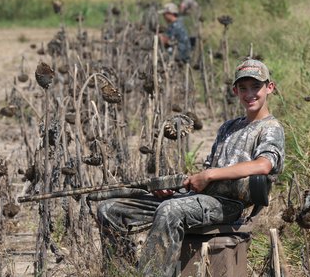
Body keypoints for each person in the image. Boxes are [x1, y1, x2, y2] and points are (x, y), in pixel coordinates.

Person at [96, 59, 285, 276]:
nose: (249, 94)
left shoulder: (271, 128)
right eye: (243, 88)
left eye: (256, 87)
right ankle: (120, 272)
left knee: (170, 210)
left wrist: (209, 175)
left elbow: (264, 165)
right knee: (110, 210)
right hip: (200, 199)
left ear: (269, 88)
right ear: (235, 91)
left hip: (229, 206)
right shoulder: (228, 127)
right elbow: (206, 171)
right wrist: (178, 189)